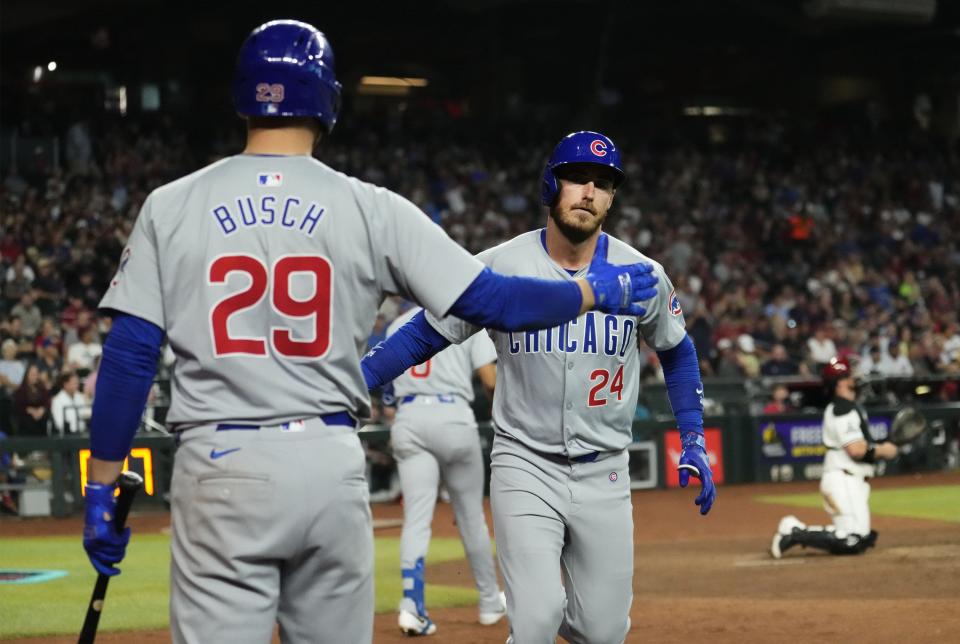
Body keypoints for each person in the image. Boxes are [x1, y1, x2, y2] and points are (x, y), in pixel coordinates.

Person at [79, 20, 660, 644]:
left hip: (220, 462)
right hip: (328, 462)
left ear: (241, 95)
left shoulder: (171, 204)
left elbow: (130, 356)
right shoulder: (368, 206)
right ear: (328, 100)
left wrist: (101, 484)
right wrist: (593, 290)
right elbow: (493, 299)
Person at [362, 130, 716, 644]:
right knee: (537, 618)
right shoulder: (499, 265)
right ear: (551, 184)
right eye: (577, 178)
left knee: (604, 632)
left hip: (606, 472)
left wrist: (694, 438)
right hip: (524, 463)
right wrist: (355, 382)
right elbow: (423, 334)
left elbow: (678, 351)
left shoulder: (644, 274)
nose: (589, 191)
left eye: (602, 182)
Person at [384, 305, 505, 636]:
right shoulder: (466, 313)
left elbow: (386, 397)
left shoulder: (396, 324)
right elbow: (490, 380)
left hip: (409, 418)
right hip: (453, 416)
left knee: (417, 520)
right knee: (470, 517)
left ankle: (411, 608)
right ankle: (489, 604)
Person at [771, 357, 898, 558]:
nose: (856, 377)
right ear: (840, 382)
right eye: (850, 375)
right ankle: (794, 531)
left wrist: (880, 447)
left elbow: (863, 445)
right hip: (843, 480)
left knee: (860, 538)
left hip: (851, 481)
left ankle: (796, 531)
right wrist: (885, 450)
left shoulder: (848, 407)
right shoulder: (842, 409)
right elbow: (856, 450)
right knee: (852, 539)